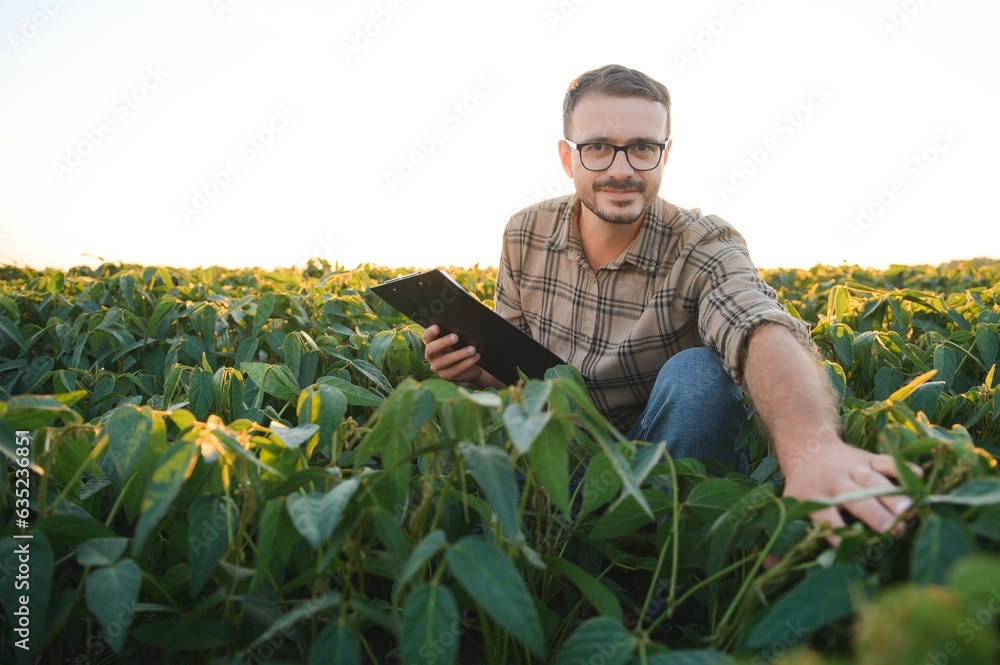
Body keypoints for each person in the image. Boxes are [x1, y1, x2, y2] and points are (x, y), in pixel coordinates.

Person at [423, 64, 920, 544]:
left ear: (665, 154)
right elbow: (515, 376)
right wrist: (471, 370)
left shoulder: (701, 242)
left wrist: (811, 450)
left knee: (700, 373)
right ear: (567, 157)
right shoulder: (524, 233)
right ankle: (533, 548)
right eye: (597, 147)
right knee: (474, 531)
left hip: (663, 462)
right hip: (561, 451)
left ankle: (681, 574)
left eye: (642, 147)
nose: (621, 170)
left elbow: (755, 324)